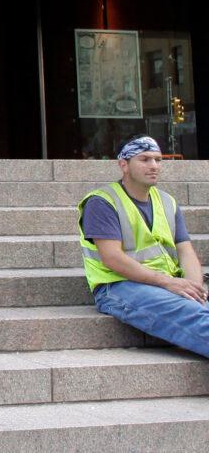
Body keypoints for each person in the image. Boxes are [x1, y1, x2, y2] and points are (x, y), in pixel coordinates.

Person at [77, 135, 208, 356]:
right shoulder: (102, 202)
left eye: (158, 159)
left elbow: (185, 250)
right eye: (145, 159)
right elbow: (112, 258)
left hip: (166, 283)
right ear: (124, 165)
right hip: (119, 286)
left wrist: (193, 288)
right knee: (194, 316)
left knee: (195, 308)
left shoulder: (167, 201)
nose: (154, 166)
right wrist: (170, 284)